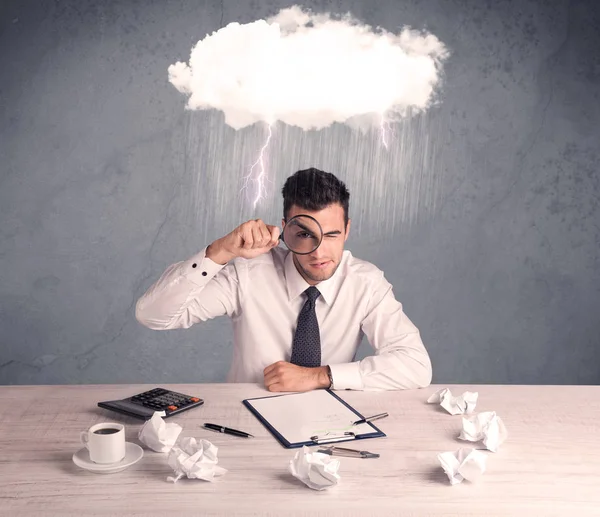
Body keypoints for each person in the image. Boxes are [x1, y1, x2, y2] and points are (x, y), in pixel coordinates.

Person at [135, 167, 432, 392]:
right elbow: (153, 316)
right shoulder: (248, 274)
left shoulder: (365, 283)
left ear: (347, 230)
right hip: (246, 418)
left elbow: (416, 366)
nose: (320, 252)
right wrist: (220, 252)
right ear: (285, 229)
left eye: (331, 235)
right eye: (304, 234)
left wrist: (320, 376)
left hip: (329, 423)